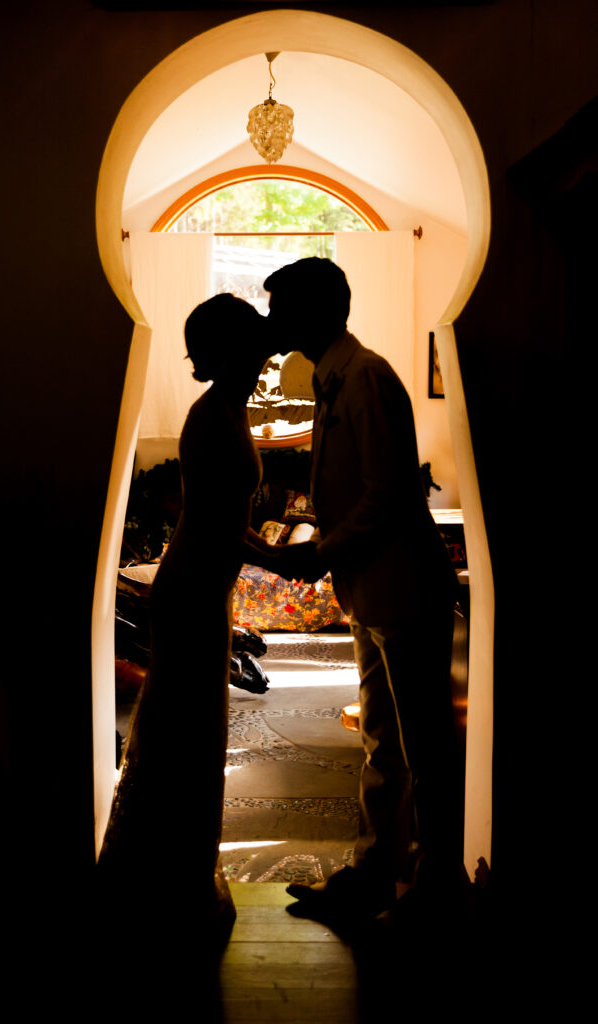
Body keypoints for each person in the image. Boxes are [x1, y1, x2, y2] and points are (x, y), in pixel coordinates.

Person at [265, 258, 463, 922]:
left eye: (281, 308)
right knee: (382, 739)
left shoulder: (367, 379)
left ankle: (436, 887)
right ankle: (372, 872)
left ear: (315, 311)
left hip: (402, 590)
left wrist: (319, 554)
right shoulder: (335, 379)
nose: (273, 321)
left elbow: (386, 495)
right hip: (372, 591)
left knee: (425, 746)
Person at [99, 293, 278, 938]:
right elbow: (210, 527)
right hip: (191, 593)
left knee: (193, 739)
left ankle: (171, 874)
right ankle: (162, 886)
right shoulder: (210, 419)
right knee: (183, 739)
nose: (266, 361)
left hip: (207, 592)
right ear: (228, 353)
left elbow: (230, 524)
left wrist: (274, 552)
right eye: (256, 351)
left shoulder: (230, 410)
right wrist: (288, 562)